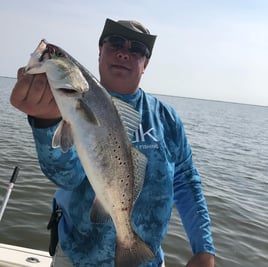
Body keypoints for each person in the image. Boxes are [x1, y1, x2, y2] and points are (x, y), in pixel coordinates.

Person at [10, 18, 215, 267]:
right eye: (115, 42)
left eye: (137, 48)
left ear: (145, 63)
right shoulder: (60, 106)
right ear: (100, 51)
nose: (124, 53)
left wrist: (203, 247)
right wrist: (45, 123)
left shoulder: (166, 118)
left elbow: (186, 181)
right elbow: (66, 178)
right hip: (77, 258)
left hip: (147, 259)